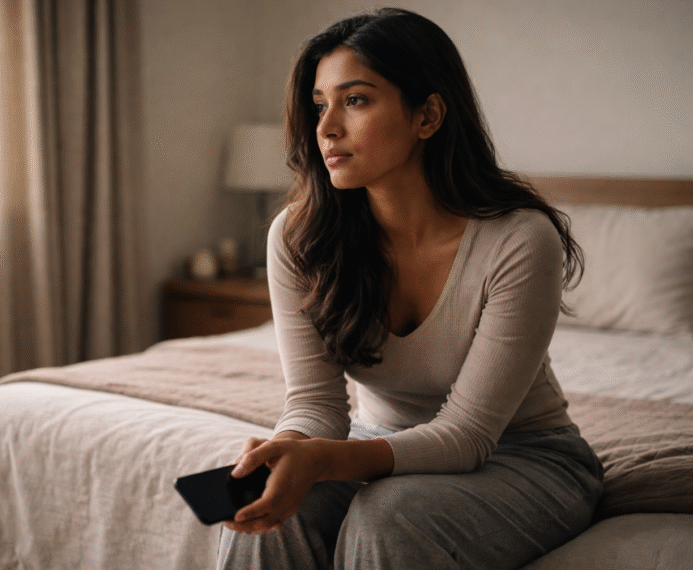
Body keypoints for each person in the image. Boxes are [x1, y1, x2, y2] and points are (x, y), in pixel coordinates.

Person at [217, 7, 604, 570]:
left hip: (523, 456)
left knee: (390, 516)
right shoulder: (300, 238)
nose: (326, 128)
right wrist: (291, 451)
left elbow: (467, 436)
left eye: (356, 100)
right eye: (320, 104)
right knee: (265, 511)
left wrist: (324, 460)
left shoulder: (518, 238)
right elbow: (316, 405)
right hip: (379, 441)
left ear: (428, 116)